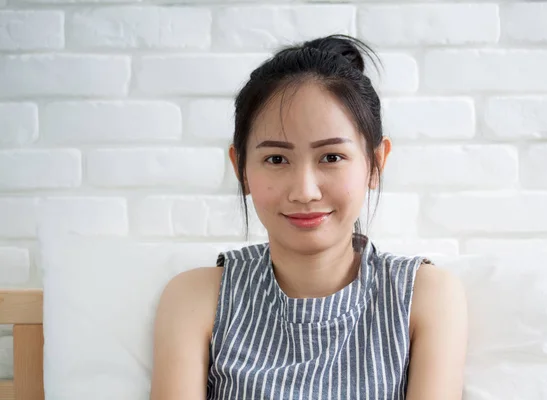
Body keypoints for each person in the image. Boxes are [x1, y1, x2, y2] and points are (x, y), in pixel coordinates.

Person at [150, 34, 468, 400]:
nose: (305, 191)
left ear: (376, 163)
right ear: (241, 168)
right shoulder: (197, 298)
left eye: (331, 157)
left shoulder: (424, 297)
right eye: (276, 159)